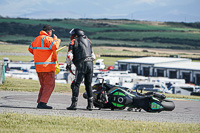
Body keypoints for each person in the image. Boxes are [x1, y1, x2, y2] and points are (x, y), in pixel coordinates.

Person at [28, 24, 61, 109]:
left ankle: (40, 101)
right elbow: (55, 46)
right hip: (47, 66)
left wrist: (40, 55)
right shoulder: (47, 39)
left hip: (38, 67)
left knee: (44, 85)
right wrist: (56, 40)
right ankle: (42, 103)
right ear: (49, 32)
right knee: (50, 85)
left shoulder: (36, 39)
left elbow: (30, 49)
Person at [66, 28, 96, 111]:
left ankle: (74, 104)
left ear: (76, 34)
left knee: (76, 84)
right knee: (88, 84)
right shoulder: (88, 41)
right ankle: (90, 105)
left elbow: (69, 56)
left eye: (72, 34)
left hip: (81, 65)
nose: (71, 36)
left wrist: (68, 64)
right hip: (90, 64)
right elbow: (93, 56)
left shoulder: (73, 41)